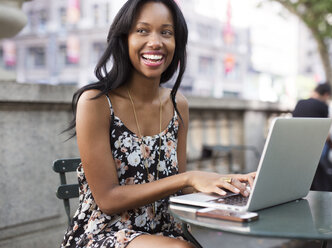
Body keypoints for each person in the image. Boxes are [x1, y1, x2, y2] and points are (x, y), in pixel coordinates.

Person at [61, 1, 256, 247]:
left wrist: (228, 184)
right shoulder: (95, 102)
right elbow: (108, 199)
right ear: (124, 38)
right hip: (104, 234)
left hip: (166, 231)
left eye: (166, 32)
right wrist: (188, 178)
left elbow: (182, 187)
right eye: (142, 30)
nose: (156, 42)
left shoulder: (178, 104)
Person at [292, 82, 332, 192]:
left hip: (296, 146)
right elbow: (325, 132)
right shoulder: (323, 106)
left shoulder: (300, 103)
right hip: (314, 148)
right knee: (325, 157)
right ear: (326, 95)